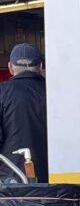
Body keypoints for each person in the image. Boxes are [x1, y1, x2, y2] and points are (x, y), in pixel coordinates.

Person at [0, 43, 48, 183]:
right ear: (40, 67)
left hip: (12, 181)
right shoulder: (55, 93)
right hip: (54, 180)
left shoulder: (2, 93)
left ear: (10, 67)